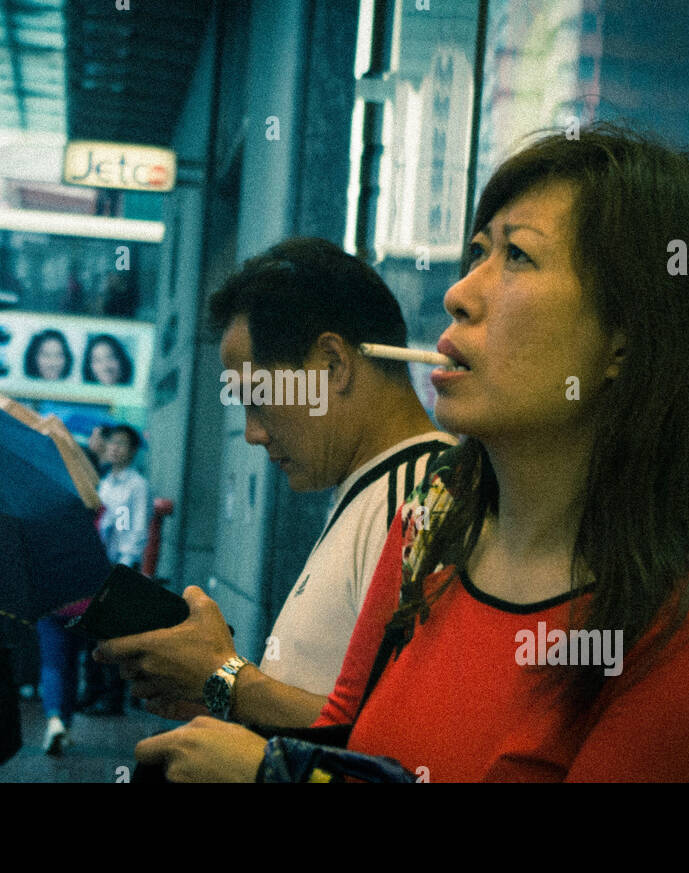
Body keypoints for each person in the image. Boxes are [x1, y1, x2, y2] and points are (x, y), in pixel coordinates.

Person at [131, 124, 689, 782]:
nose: (459, 293)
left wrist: (269, 771)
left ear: (628, 338)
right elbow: (350, 739)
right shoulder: (428, 526)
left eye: (517, 257)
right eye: (477, 252)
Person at [95, 237, 455, 728]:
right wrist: (222, 697)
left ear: (332, 364)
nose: (253, 433)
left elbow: (404, 741)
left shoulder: (421, 497)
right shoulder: (377, 489)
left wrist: (223, 679)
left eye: (258, 398)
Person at [81, 424, 150, 717]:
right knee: (91, 631)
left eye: (122, 444)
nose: (114, 448)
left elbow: (138, 527)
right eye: (111, 443)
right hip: (97, 562)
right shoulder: (104, 482)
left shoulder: (137, 485)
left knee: (112, 635)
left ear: (133, 451)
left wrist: (126, 562)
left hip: (119, 565)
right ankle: (92, 692)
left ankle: (112, 700)